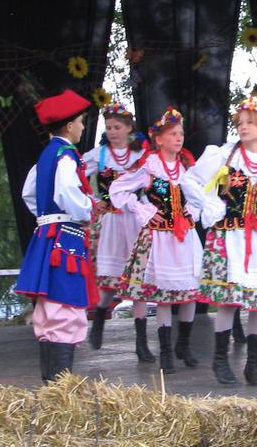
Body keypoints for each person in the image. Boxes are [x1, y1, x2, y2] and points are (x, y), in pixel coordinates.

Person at [181, 98, 257, 386]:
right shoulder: (223, 155)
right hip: (227, 236)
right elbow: (190, 180)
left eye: (250, 123)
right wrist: (211, 205)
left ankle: (253, 365)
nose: (243, 127)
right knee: (229, 301)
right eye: (240, 123)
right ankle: (220, 359)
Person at [16, 90, 103, 382]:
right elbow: (67, 192)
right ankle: (59, 385)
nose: (82, 127)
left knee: (50, 307)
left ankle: (53, 384)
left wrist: (46, 215)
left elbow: (29, 193)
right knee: (65, 305)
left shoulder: (45, 157)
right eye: (80, 121)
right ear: (68, 125)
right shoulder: (66, 156)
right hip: (64, 238)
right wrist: (87, 209)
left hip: (46, 234)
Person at [110, 107, 203, 374]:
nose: (178, 138)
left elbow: (201, 196)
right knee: (163, 296)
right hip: (159, 237)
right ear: (159, 139)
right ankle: (165, 352)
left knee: (189, 293)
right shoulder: (149, 168)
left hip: (185, 237)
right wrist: (143, 210)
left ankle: (183, 344)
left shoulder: (188, 168)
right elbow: (118, 189)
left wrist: (192, 211)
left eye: (180, 134)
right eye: (172, 134)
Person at [82, 102, 146, 352]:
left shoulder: (141, 155)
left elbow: (153, 182)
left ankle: (141, 342)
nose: (112, 132)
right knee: (109, 279)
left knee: (138, 280)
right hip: (109, 221)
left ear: (129, 128)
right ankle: (99, 319)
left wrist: (148, 207)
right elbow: (76, 176)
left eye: (117, 127)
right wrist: (92, 200)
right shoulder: (99, 155)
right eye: (108, 127)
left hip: (135, 220)